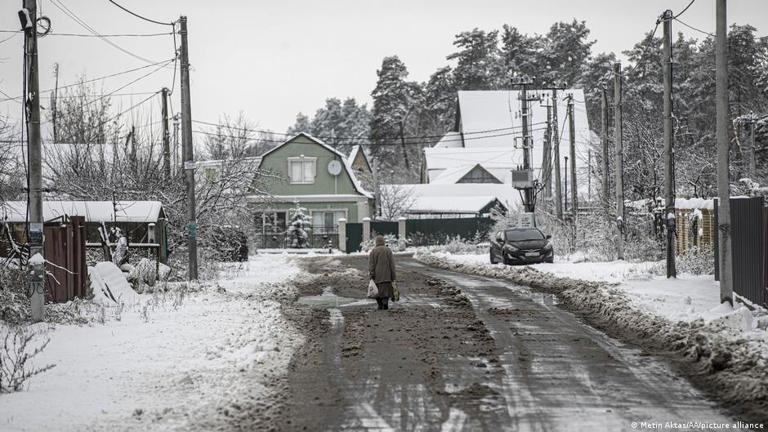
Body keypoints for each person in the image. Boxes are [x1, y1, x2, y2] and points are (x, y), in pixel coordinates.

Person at [368, 235, 396, 310]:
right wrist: (393, 275)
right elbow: (392, 264)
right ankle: (385, 302)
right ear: (383, 241)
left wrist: (371, 274)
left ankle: (380, 304)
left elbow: (371, 264)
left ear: (376, 242)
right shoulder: (388, 250)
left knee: (377, 291)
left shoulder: (373, 251)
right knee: (386, 291)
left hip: (377, 276)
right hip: (387, 276)